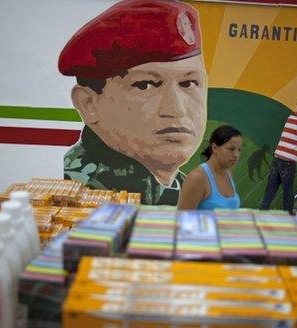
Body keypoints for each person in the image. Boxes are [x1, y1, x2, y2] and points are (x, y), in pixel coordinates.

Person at [59, 0, 207, 205]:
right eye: (146, 85)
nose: (176, 109)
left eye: (189, 83)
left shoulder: (178, 190)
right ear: (89, 104)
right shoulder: (89, 198)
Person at [177, 126, 242, 210]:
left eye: (239, 150)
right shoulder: (197, 178)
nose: (236, 155)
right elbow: (183, 219)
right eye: (231, 149)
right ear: (215, 148)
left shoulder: (228, 172)